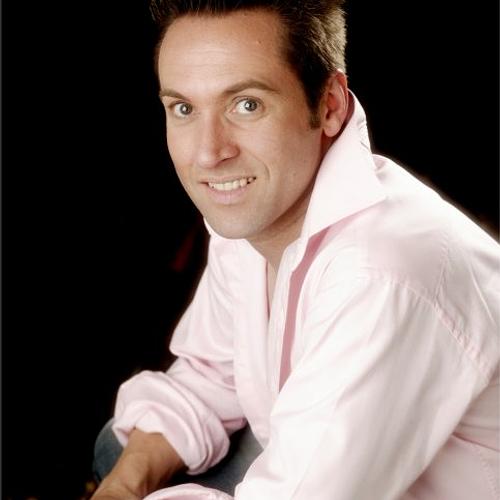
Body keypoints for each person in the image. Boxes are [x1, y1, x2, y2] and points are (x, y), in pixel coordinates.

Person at [91, 1, 500, 499]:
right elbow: (209, 375)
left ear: (330, 106)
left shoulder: (379, 274)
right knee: (121, 449)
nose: (208, 153)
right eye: (184, 109)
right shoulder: (256, 213)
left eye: (246, 105)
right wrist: (124, 486)